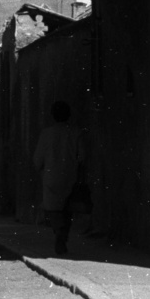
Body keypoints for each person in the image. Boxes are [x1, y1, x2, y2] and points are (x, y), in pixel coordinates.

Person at [33, 101, 86, 256]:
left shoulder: (46, 134)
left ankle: (59, 233)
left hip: (51, 177)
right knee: (67, 209)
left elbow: (37, 159)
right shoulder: (76, 133)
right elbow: (82, 156)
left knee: (54, 209)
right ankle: (63, 235)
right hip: (70, 176)